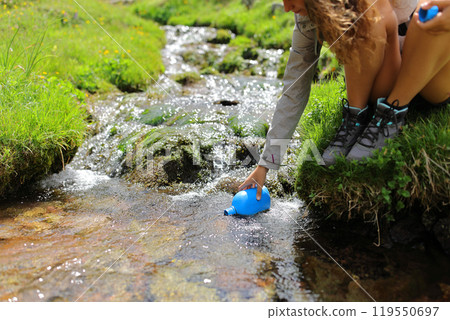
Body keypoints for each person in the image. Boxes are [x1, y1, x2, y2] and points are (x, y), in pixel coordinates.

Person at [239, 0, 449, 200]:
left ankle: (391, 115)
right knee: (357, 14)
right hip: (389, 75)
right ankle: (354, 119)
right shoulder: (307, 18)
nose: (286, 8)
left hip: (432, 74)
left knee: (393, 13)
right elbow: (294, 87)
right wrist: (265, 164)